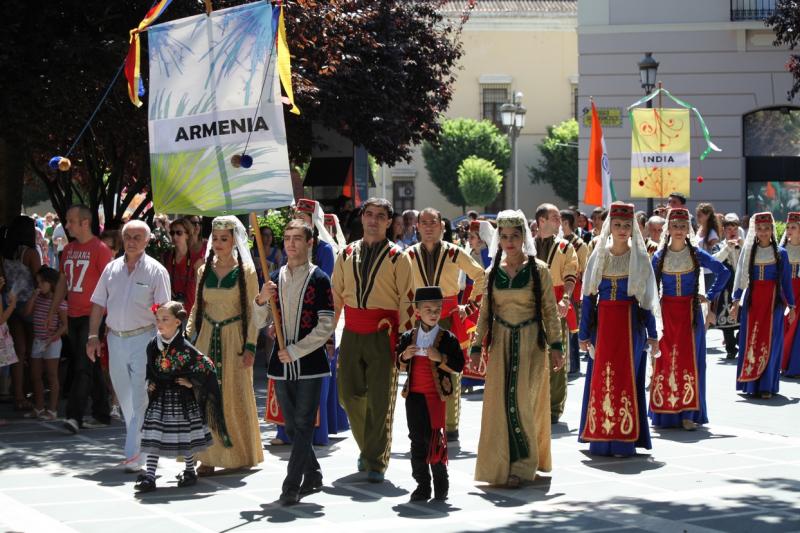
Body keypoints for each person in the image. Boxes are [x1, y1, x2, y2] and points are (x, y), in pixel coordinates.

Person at [474, 210, 563, 488]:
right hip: (501, 344)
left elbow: (550, 310)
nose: (509, 241)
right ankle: (502, 464)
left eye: (514, 236)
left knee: (524, 404)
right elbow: (485, 312)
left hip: (531, 345)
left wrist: (557, 345)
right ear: (498, 239)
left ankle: (524, 466)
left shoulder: (539, 271)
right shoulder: (492, 273)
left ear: (523, 237)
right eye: (504, 236)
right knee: (501, 405)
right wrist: (477, 345)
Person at [253, 220, 336, 505]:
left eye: (297, 238)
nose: (291, 243)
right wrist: (261, 300)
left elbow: (326, 325)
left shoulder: (320, 279)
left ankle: (291, 484)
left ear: (309, 242)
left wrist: (297, 350)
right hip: (281, 364)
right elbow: (259, 321)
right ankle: (312, 472)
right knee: (291, 426)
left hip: (311, 364)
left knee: (302, 424)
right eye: (287, 238)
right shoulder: (274, 278)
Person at [332, 198, 414, 482]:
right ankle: (369, 447)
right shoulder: (346, 253)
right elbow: (336, 297)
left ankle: (375, 461)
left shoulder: (398, 257)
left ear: (390, 222)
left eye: (381, 216)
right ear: (362, 217)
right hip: (352, 332)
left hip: (384, 334)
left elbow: (407, 299)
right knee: (347, 395)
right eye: (369, 214)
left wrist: (405, 342)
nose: (374, 220)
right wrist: (330, 334)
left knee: (380, 401)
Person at [87, 220, 171, 471]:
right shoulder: (111, 269)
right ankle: (141, 445)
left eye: (137, 237)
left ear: (147, 241)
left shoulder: (156, 271)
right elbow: (98, 304)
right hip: (115, 338)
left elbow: (164, 310)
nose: (132, 241)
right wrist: (93, 336)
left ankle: (135, 453)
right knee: (124, 396)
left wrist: (164, 345)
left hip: (144, 338)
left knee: (140, 396)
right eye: (128, 237)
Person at [578, 202, 659, 457]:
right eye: (617, 224)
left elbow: (646, 302)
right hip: (604, 327)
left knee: (626, 379)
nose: (622, 229)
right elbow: (589, 298)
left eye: (626, 225)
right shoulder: (598, 256)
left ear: (633, 227)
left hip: (630, 326)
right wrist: (583, 334)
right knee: (602, 380)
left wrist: (653, 334)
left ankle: (625, 440)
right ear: (609, 226)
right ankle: (601, 439)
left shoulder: (640, 259)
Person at [186, 216, 263, 475]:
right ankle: (207, 456)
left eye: (224, 239)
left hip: (234, 340)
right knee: (205, 396)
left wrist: (251, 345)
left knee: (234, 395)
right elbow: (198, 306)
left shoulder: (246, 272)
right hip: (208, 337)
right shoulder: (203, 270)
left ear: (234, 241)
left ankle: (240, 453)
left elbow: (254, 311)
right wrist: (186, 337)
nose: (218, 243)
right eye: (215, 238)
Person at [405, 207, 485, 441]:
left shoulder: (454, 252)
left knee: (449, 368)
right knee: (419, 369)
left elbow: (481, 276)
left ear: (442, 227)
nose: (429, 227)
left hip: (448, 316)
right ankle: (424, 422)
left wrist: (468, 307)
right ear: (417, 227)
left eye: (434, 222)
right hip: (418, 318)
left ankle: (450, 426)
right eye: (424, 222)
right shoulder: (407, 255)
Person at [269, 199, 341, 448]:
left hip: (314, 324)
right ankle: (307, 466)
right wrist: (264, 304)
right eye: (287, 237)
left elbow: (328, 292)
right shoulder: (280, 272)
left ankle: (297, 474)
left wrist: (327, 336)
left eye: (305, 215)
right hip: (287, 332)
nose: (291, 243)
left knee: (306, 410)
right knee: (290, 412)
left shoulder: (323, 255)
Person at [649, 208, 730, 430]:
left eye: (683, 226)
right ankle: (664, 413)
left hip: (689, 314)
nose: (678, 230)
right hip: (666, 314)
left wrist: (709, 296)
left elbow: (723, 271)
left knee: (690, 361)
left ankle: (688, 414)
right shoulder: (659, 256)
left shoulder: (696, 254)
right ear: (668, 229)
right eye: (674, 226)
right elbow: (650, 287)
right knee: (665, 360)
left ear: (689, 229)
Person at [136, 301, 228, 493]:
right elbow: (150, 369)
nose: (159, 323)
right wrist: (150, 382)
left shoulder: (185, 347)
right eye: (158, 319)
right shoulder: (153, 345)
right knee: (153, 433)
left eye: (165, 319)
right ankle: (150, 475)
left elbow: (206, 366)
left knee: (186, 435)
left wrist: (191, 383)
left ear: (178, 322)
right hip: (160, 397)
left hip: (181, 398)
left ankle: (189, 470)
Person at [397, 286, 464, 502]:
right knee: (417, 440)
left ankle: (441, 485)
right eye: (428, 309)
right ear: (417, 311)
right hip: (414, 397)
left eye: (437, 310)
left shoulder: (448, 339)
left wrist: (440, 358)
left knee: (435, 440)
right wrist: (404, 357)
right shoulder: (408, 337)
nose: (433, 314)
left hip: (436, 397)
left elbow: (459, 365)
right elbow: (398, 365)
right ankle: (422, 485)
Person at [61, 206, 116, 434]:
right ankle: (102, 411)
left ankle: (74, 416)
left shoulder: (100, 250)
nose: (67, 225)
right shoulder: (68, 249)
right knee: (89, 366)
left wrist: (110, 318)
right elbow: (62, 282)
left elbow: (111, 285)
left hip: (92, 316)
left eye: (71, 221)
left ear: (85, 223)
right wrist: (56, 310)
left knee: (82, 366)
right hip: (72, 314)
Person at [730, 212, 795, 399]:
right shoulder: (749, 251)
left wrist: (792, 306)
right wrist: (736, 301)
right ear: (754, 230)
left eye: (767, 228)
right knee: (751, 340)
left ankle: (766, 385)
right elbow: (741, 276)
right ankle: (750, 384)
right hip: (753, 301)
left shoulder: (781, 253)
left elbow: (786, 282)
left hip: (773, 302)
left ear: (772, 230)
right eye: (759, 228)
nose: (763, 232)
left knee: (771, 342)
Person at [534, 204, 578, 424]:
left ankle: (553, 408)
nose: (559, 222)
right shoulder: (527, 247)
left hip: (555, 306)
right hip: (530, 308)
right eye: (555, 217)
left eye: (560, 218)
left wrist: (566, 298)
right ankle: (533, 402)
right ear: (541, 221)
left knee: (556, 355)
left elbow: (571, 274)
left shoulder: (564, 246)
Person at [23, 266, 67, 421]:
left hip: (52, 342)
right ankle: (39, 407)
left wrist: (52, 337)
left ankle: (52, 410)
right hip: (38, 340)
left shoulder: (58, 302)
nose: (39, 286)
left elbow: (64, 325)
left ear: (51, 283)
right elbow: (26, 312)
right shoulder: (39, 297)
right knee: (35, 375)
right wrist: (34, 296)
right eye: (38, 283)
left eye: (42, 283)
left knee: (51, 375)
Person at [462, 219, 495, 389]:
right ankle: (468, 378)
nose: (469, 239)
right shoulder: (470, 253)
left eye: (473, 237)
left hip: (481, 298)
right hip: (469, 296)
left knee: (481, 335)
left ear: (481, 238)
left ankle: (483, 375)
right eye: (469, 236)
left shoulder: (486, 254)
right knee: (468, 336)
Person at [561, 209, 589, 376]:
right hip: (558, 287)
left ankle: (573, 364)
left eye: (563, 223)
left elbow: (583, 269)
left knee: (572, 325)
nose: (560, 226)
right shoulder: (558, 242)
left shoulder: (580, 245)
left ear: (569, 224)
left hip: (574, 288)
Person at [715, 214, 744, 359]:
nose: (732, 231)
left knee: (742, 317)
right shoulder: (719, 246)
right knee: (725, 317)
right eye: (728, 229)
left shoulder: (744, 244)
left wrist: (742, 246)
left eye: (735, 228)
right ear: (724, 231)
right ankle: (730, 348)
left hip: (740, 286)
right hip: (725, 287)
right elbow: (714, 261)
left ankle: (740, 339)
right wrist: (727, 248)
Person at [162, 217, 204, 314]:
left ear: (188, 235)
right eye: (172, 233)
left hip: (191, 312)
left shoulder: (197, 260)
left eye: (179, 233)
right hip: (170, 312)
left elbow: (201, 290)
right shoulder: (166, 256)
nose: (175, 236)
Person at [782, 212, 800, 378]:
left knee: (796, 329)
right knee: (784, 327)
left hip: (799, 290)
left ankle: (795, 366)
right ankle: (783, 363)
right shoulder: (782, 249)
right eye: (788, 227)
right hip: (786, 291)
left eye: (793, 227)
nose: (789, 230)